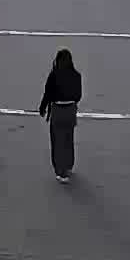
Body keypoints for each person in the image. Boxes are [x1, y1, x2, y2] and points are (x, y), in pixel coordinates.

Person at [38, 49, 83, 183]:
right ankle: (69, 165)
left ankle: (61, 172)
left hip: (57, 110)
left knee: (57, 142)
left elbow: (48, 93)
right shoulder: (76, 75)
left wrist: (42, 108)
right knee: (68, 139)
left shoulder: (54, 75)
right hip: (70, 111)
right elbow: (78, 96)